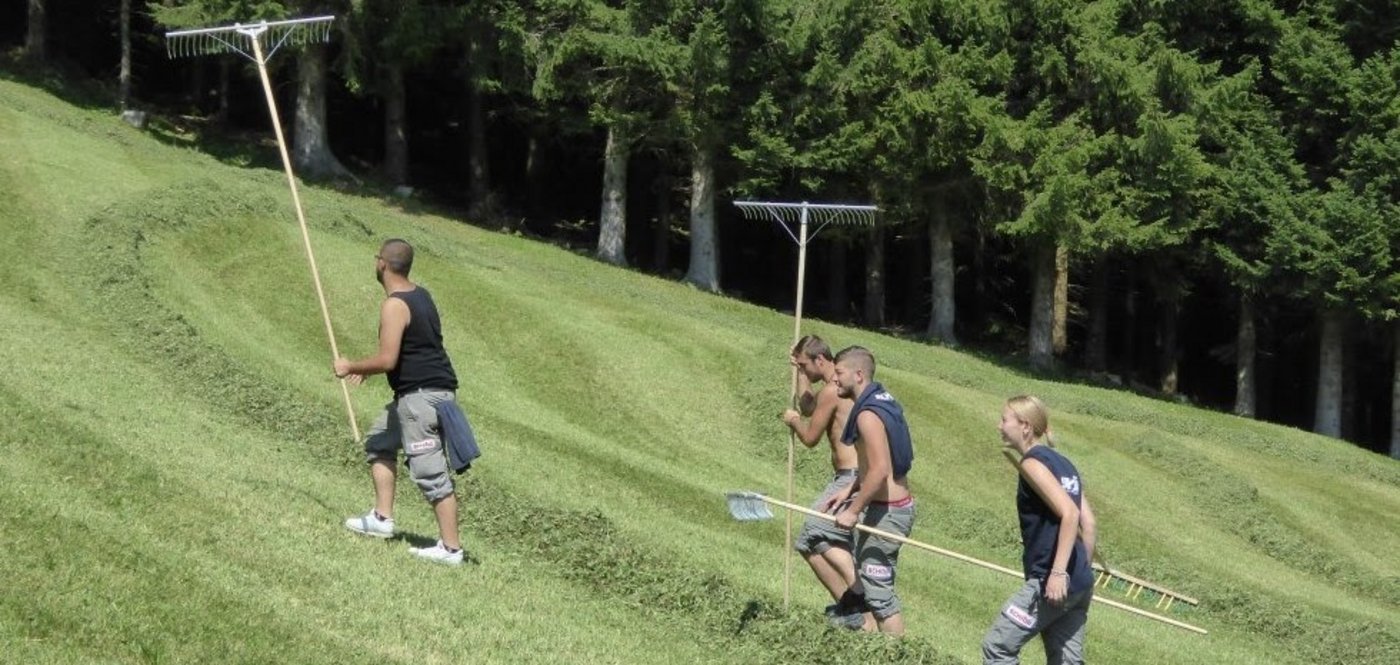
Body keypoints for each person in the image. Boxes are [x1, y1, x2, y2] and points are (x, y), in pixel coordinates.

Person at [333, 238, 465, 566]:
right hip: (417, 395)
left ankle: (451, 550)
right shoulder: (421, 295)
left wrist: (351, 366)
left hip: (421, 400)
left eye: (376, 257)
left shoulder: (394, 305)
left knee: (430, 473)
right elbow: (413, 351)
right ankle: (381, 518)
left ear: (382, 264)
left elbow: (388, 359)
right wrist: (368, 370)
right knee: (380, 441)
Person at [983, 396, 1097, 664]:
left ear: (1024, 426)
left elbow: (1070, 515)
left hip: (1051, 579)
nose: (999, 425)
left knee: (997, 646)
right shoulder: (1064, 463)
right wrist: (1079, 572)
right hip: (1079, 584)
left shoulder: (1033, 464)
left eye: (1004, 419)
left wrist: (1058, 573)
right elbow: (1089, 524)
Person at [826, 346, 915, 636]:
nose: (834, 379)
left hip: (890, 513)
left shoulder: (867, 415)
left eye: (839, 373)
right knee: (872, 582)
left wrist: (853, 511)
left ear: (859, 374)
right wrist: (850, 490)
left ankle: (895, 656)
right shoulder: (879, 400)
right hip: (885, 508)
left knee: (879, 595)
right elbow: (871, 464)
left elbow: (879, 470)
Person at [780, 335, 859, 611]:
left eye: (806, 364)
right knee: (816, 538)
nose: (803, 369)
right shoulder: (833, 387)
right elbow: (809, 406)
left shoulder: (832, 391)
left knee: (810, 537)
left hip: (851, 478)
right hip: (847, 477)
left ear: (821, 360)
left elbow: (811, 437)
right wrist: (801, 373)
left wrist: (793, 422)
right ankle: (850, 604)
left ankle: (855, 599)